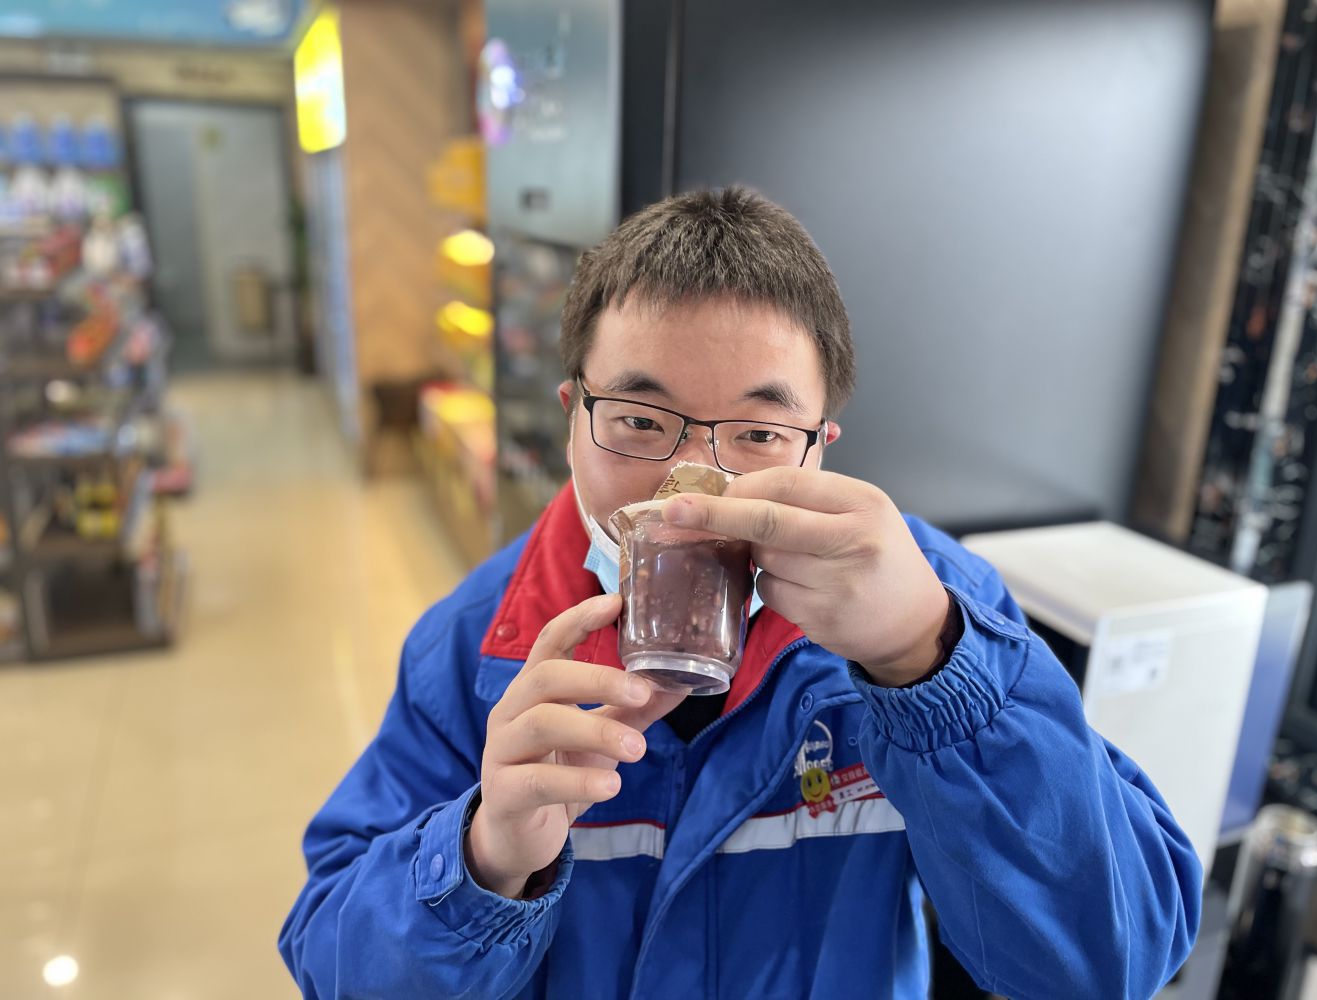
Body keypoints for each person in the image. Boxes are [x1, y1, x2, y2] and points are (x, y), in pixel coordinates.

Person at [279, 188, 1202, 999]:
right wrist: (483, 857)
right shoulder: (477, 646)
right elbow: (335, 961)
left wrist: (927, 664)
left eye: (758, 434)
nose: (691, 483)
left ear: (820, 446)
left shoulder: (932, 608)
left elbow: (1109, 959)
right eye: (639, 420)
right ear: (572, 418)